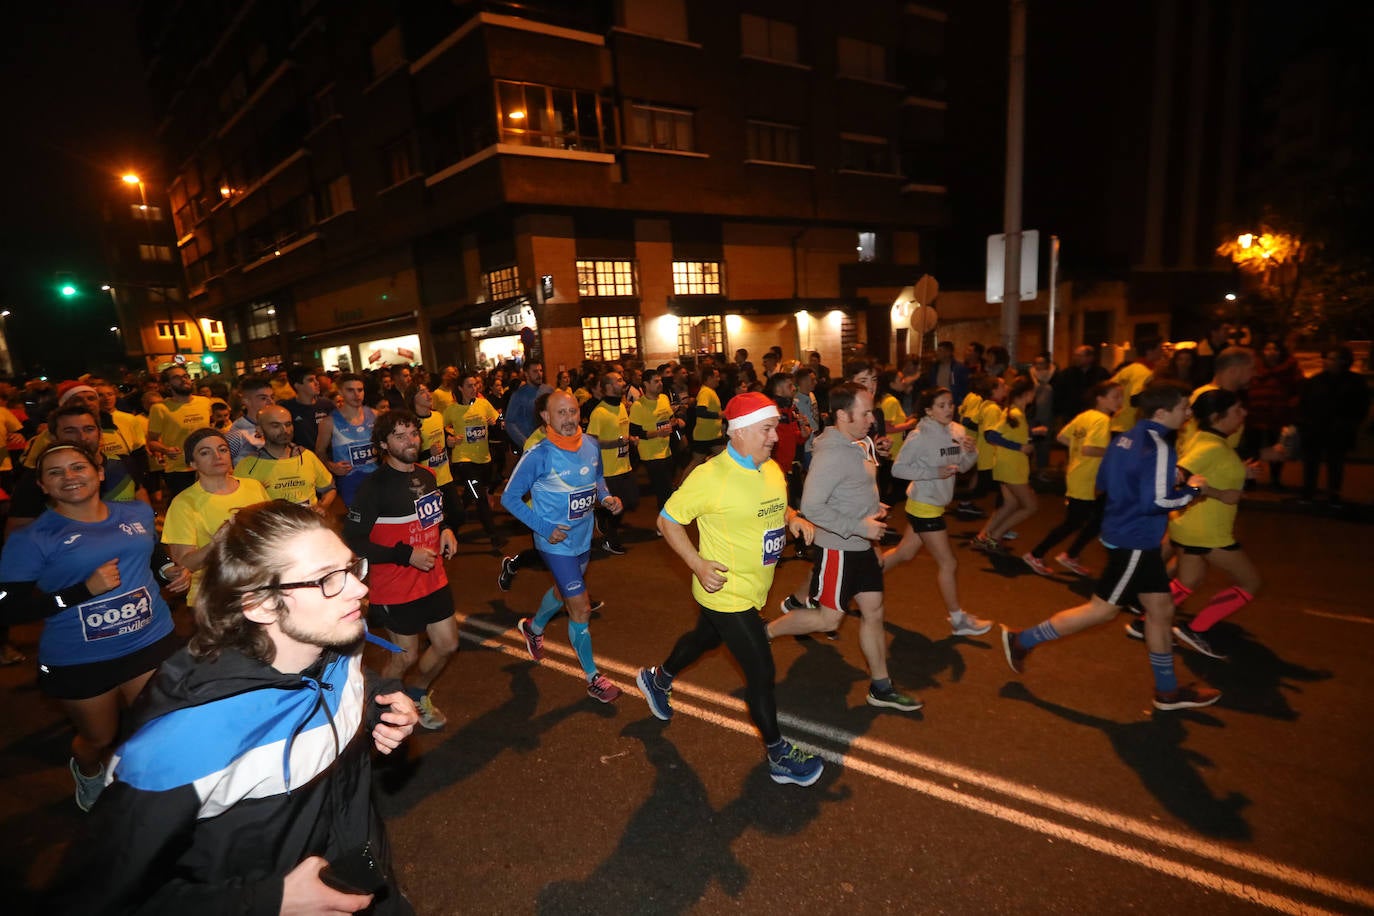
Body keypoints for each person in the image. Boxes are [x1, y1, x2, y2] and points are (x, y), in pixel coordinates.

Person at [44, 501, 419, 913]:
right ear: (259, 604)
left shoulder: (335, 641)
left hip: (363, 880)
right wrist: (267, 901)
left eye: (350, 568)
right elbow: (90, 899)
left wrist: (380, 706)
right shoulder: (184, 740)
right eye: (327, 579)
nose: (359, 588)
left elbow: (343, 689)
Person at [636, 392, 825, 786]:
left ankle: (658, 678)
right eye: (767, 429)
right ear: (738, 433)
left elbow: (776, 506)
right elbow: (667, 520)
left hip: (754, 589)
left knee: (705, 639)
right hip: (725, 592)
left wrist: (793, 518)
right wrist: (697, 564)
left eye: (774, 428)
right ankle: (778, 756)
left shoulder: (770, 468)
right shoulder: (710, 477)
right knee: (761, 670)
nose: (775, 436)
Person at [1000, 382, 1221, 711]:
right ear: (1162, 413)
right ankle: (1023, 639)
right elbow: (1157, 500)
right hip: (1136, 540)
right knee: (1101, 610)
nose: (1188, 414)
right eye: (1183, 408)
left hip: (1125, 532)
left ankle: (1167, 691)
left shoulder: (1126, 437)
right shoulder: (1159, 445)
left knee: (1160, 611)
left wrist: (1161, 480)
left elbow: (1105, 481)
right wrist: (1192, 489)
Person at [0, 443, 188, 812]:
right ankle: (88, 771)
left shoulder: (135, 512)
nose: (69, 477)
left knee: (157, 724)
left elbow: (149, 549)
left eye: (77, 467)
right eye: (55, 472)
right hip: (82, 657)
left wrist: (166, 569)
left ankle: (152, 794)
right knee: (98, 737)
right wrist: (81, 592)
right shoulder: (33, 538)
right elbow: (7, 607)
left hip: (149, 639)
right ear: (42, 485)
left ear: (99, 472)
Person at [768, 383, 921, 711]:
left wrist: (872, 510)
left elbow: (852, 489)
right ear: (842, 414)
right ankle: (764, 632)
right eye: (865, 412)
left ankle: (881, 687)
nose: (871, 419)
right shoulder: (833, 453)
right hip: (838, 548)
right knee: (827, 620)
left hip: (861, 545)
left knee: (874, 610)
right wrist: (858, 525)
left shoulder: (857, 443)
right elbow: (811, 506)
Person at [502, 390, 625, 702]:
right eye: (561, 413)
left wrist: (606, 497)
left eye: (573, 411)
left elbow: (598, 479)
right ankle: (594, 677)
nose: (570, 419)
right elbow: (509, 498)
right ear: (546, 417)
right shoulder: (539, 455)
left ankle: (534, 627)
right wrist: (544, 528)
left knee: (562, 592)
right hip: (554, 543)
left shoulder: (591, 444)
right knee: (580, 607)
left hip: (583, 538)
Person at [344, 410, 458, 729]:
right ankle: (377, 710)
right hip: (394, 587)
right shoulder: (373, 487)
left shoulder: (426, 475)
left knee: (448, 644)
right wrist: (405, 555)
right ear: (383, 443)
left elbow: (436, 515)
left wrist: (446, 528)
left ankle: (418, 694)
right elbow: (353, 540)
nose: (411, 441)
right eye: (400, 435)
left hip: (433, 578)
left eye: (413, 433)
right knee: (404, 656)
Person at [1125, 388, 1259, 659]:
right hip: (1207, 531)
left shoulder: (1210, 440)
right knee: (1251, 582)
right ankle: (1196, 629)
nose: (1243, 414)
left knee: (1189, 580)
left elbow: (1207, 470)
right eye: (1236, 410)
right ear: (1217, 416)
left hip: (1190, 525)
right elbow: (1177, 476)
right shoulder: (1210, 446)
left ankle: (1143, 623)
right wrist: (1220, 493)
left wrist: (1240, 472)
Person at [881, 387, 992, 636]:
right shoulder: (919, 436)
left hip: (935, 503)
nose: (948, 409)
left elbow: (960, 468)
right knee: (948, 562)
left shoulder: (957, 431)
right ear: (928, 410)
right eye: (941, 405)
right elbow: (898, 469)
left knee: (904, 554)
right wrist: (932, 473)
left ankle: (858, 580)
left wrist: (971, 452)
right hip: (924, 506)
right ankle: (958, 620)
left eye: (950, 404)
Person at [163, 428, 271, 610]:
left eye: (222, 449)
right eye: (205, 452)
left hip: (259, 588)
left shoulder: (253, 486)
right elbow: (184, 563)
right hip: (215, 598)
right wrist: (217, 542)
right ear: (192, 463)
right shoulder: (184, 503)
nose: (217, 456)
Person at [1023, 381, 1122, 577]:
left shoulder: (1085, 416)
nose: (1120, 401)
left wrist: (1076, 452)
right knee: (1074, 522)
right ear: (1099, 399)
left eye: (1121, 397)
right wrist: (1116, 452)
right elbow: (1089, 449)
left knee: (1098, 518)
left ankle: (1071, 554)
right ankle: (1036, 554)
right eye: (1115, 396)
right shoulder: (1102, 420)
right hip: (1086, 478)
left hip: (1081, 474)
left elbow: (1062, 437)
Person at [974, 377, 1044, 551]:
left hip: (1008, 465)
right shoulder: (1015, 413)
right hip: (1012, 467)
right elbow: (992, 436)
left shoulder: (1013, 412)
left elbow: (1010, 434)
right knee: (1030, 506)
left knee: (1011, 504)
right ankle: (994, 537)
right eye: (1033, 393)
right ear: (1027, 394)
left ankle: (983, 536)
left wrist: (1032, 434)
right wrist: (1020, 447)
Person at [1297, 346, 1369, 508]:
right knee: (1311, 462)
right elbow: (1305, 403)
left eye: (1331, 359)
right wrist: (1306, 423)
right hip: (1316, 429)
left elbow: (1360, 406)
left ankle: (1333, 495)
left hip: (1338, 430)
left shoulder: (1355, 382)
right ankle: (1309, 492)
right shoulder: (1316, 381)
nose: (1326, 362)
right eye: (1326, 358)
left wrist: (1349, 424)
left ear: (1343, 361)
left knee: (1335, 463)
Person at [232, 404, 337, 513]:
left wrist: (323, 507)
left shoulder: (306, 456)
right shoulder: (248, 465)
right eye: (275, 425)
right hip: (272, 528)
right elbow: (237, 504)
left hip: (308, 526)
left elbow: (329, 489)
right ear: (260, 429)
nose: (285, 430)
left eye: (288, 424)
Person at [444, 371, 505, 548]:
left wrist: (497, 420)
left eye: (475, 385)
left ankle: (451, 524)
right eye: (469, 386)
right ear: (461, 388)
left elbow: (499, 419)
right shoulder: (452, 410)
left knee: (469, 497)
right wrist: (450, 437)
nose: (474, 388)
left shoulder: (484, 404)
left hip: (484, 460)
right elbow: (440, 426)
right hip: (463, 461)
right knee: (480, 498)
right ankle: (494, 536)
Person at [586, 370, 639, 555]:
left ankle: (602, 515)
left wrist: (630, 439)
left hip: (625, 465)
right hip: (608, 470)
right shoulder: (599, 413)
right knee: (619, 507)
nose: (623, 382)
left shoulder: (622, 407)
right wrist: (613, 443)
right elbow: (591, 441)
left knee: (632, 501)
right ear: (608, 387)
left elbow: (621, 434)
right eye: (619, 380)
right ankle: (611, 540)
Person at [146, 365, 214, 497]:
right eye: (177, 378)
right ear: (167, 385)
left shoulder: (204, 402)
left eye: (185, 376)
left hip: (206, 464)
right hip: (179, 469)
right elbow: (152, 442)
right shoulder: (160, 408)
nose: (184, 380)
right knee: (186, 508)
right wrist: (166, 450)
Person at [1245, 340, 1302, 490]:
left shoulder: (1289, 370)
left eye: (1275, 349)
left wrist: (1290, 406)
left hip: (1278, 415)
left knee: (1277, 448)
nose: (1271, 352)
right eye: (1267, 348)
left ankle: (1275, 479)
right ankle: (1250, 478)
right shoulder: (1255, 368)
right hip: (1255, 414)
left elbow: (1298, 390)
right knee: (1253, 449)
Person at [317, 373, 378, 508]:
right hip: (350, 481)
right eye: (350, 390)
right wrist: (331, 465)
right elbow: (319, 451)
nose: (356, 394)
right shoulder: (329, 422)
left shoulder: (375, 415)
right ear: (340, 392)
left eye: (360, 390)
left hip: (377, 477)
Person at [629, 368, 682, 512]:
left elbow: (669, 418)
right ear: (646, 384)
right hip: (650, 454)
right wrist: (657, 433)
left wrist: (676, 421)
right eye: (656, 381)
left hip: (666, 451)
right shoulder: (638, 406)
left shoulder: (664, 399)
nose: (660, 384)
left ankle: (666, 520)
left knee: (666, 487)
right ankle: (665, 521)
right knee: (664, 489)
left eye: (660, 381)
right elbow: (635, 432)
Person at [1108, 335, 1164, 434]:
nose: (1162, 352)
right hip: (1129, 427)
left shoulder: (1128, 369)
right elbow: (1135, 399)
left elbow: (1107, 388)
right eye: (1160, 349)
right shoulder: (1144, 373)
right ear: (1150, 351)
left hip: (1115, 423)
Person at [680, 365, 725, 478]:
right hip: (705, 436)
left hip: (711, 435)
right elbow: (700, 411)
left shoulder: (709, 391)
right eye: (716, 376)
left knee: (722, 456)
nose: (718, 379)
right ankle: (680, 486)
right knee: (696, 462)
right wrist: (718, 415)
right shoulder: (706, 392)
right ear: (709, 378)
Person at [283, 364, 336, 453]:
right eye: (311, 380)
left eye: (316, 379)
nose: (317, 383)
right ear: (297, 385)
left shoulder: (327, 405)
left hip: (329, 457)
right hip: (304, 459)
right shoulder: (287, 409)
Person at [225, 375, 273, 463]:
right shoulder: (237, 432)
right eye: (263, 398)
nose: (270, 402)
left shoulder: (278, 425)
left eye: (272, 397)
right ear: (246, 401)